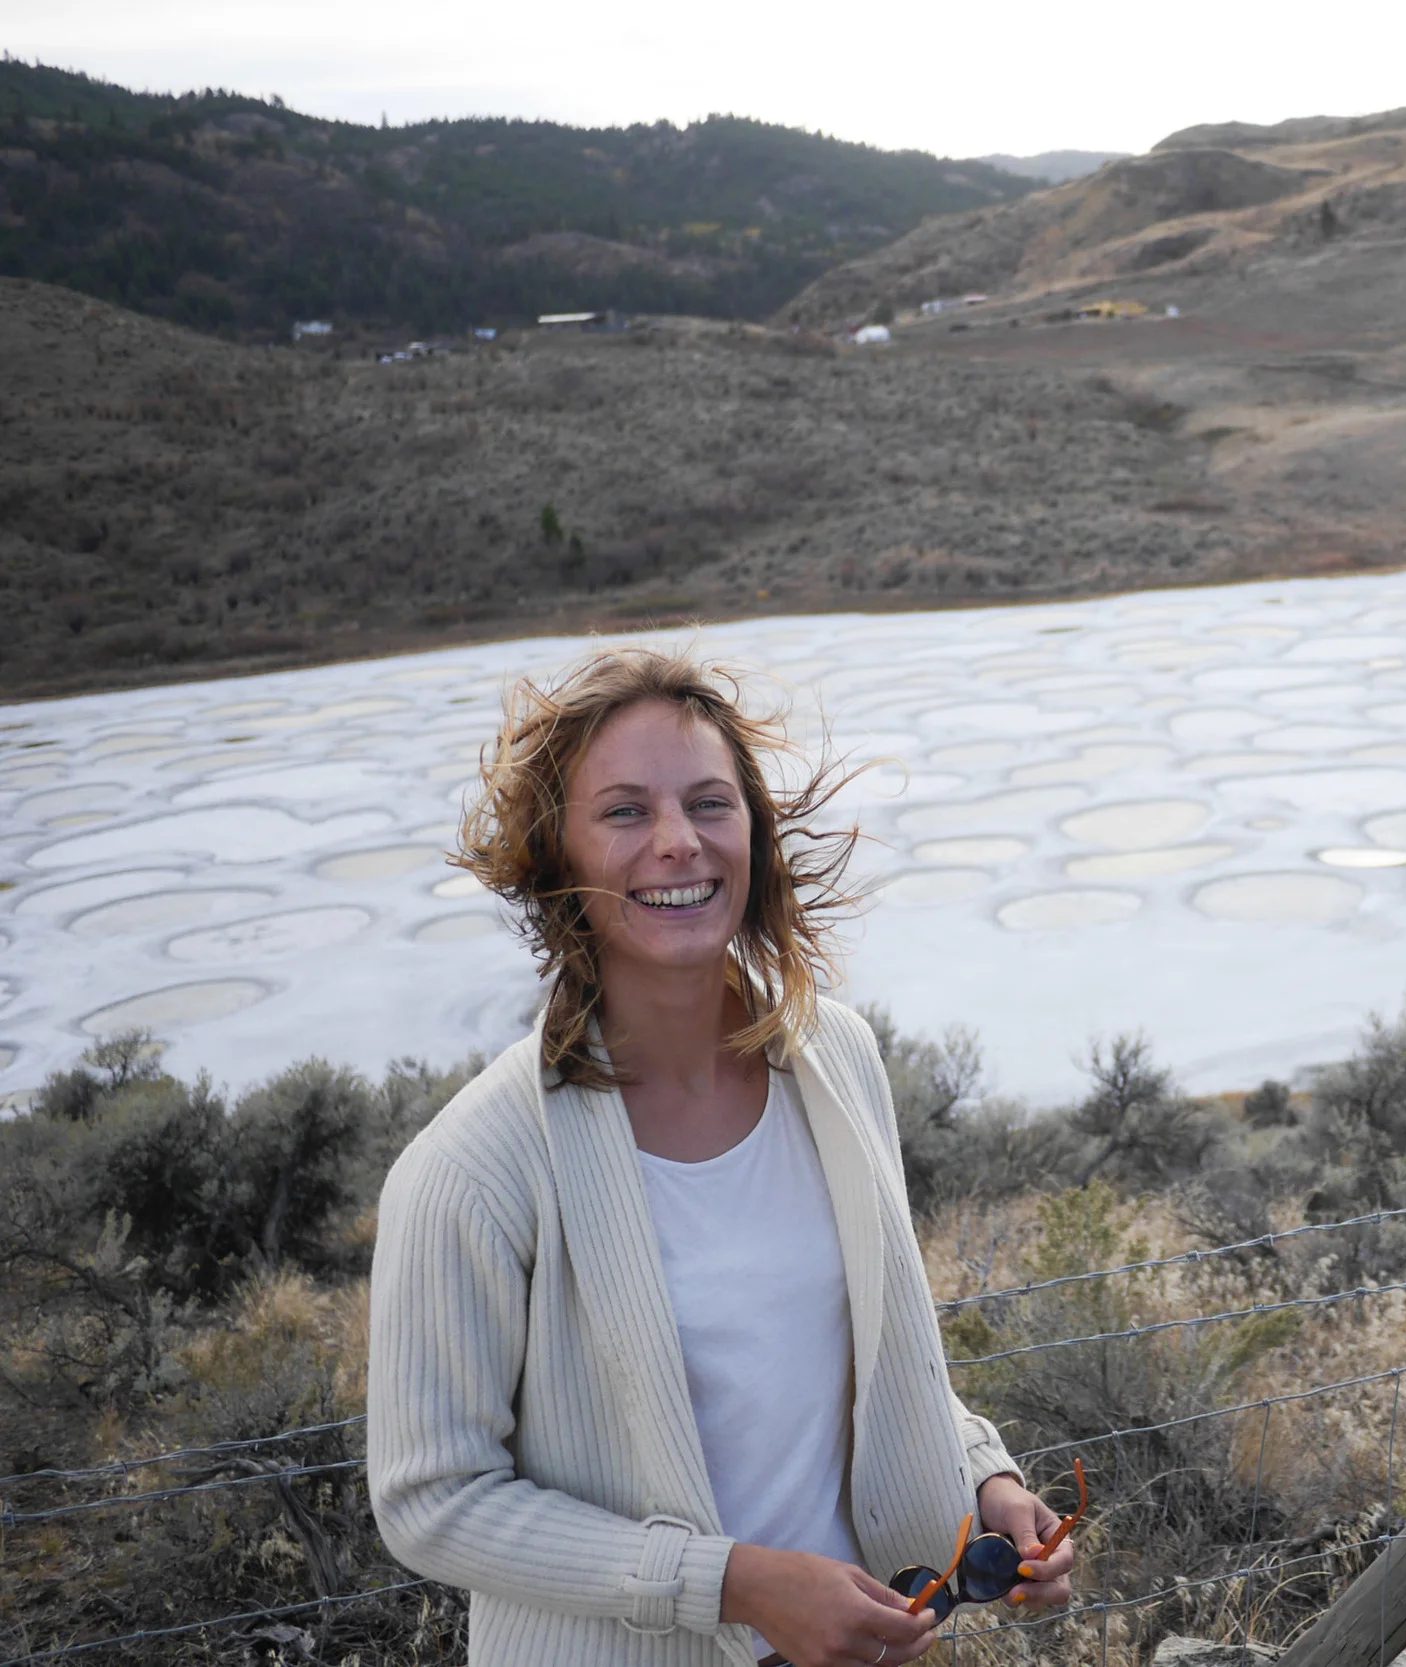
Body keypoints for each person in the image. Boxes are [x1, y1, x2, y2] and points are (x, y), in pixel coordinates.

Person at [368, 648, 1075, 1666]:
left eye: (709, 802)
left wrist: (988, 1484)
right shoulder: (473, 1168)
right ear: (554, 856)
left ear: (755, 832)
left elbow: (863, 1368)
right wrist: (734, 1582)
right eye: (623, 811)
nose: (676, 841)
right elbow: (430, 1500)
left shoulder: (837, 1059)